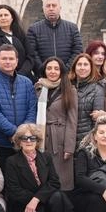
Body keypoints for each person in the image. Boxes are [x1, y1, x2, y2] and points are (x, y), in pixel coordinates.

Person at [1, 123, 71, 212]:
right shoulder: (12, 161)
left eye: (32, 138)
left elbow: (54, 182)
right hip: (24, 204)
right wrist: (32, 200)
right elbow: (13, 189)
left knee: (58, 196)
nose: (29, 141)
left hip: (44, 201)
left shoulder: (46, 157)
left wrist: (37, 199)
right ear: (19, 142)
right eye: (24, 138)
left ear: (37, 141)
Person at [0, 45, 37, 165]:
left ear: (17, 61)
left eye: (11, 59)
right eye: (4, 58)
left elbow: (32, 110)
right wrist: (14, 132)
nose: (8, 62)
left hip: (25, 143)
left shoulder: (27, 83)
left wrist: (23, 134)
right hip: (1, 143)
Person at [36, 56, 77, 194]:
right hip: (41, 137)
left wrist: (69, 147)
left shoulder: (70, 90)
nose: (52, 71)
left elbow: (72, 120)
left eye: (56, 68)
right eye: (49, 68)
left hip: (60, 139)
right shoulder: (38, 88)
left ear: (61, 71)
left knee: (62, 181)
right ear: (44, 70)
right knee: (44, 179)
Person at [26, 0, 83, 76]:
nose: (51, 8)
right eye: (48, 6)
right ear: (43, 9)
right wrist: (45, 71)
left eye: (54, 5)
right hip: (44, 77)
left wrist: (65, 70)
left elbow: (78, 50)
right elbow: (32, 53)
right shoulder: (33, 29)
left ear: (60, 8)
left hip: (68, 77)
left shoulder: (72, 28)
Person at [0, 5, 33, 78]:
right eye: (0, 16)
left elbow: (30, 57)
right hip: (1, 78)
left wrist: (21, 74)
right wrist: (8, 74)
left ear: (12, 18)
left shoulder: (20, 34)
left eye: (6, 15)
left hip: (24, 77)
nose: (3, 18)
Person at [69, 53, 105, 147]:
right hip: (68, 138)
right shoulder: (68, 86)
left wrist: (91, 141)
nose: (82, 68)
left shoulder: (97, 89)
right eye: (79, 64)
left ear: (91, 68)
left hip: (87, 140)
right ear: (74, 67)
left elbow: (97, 121)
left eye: (85, 64)